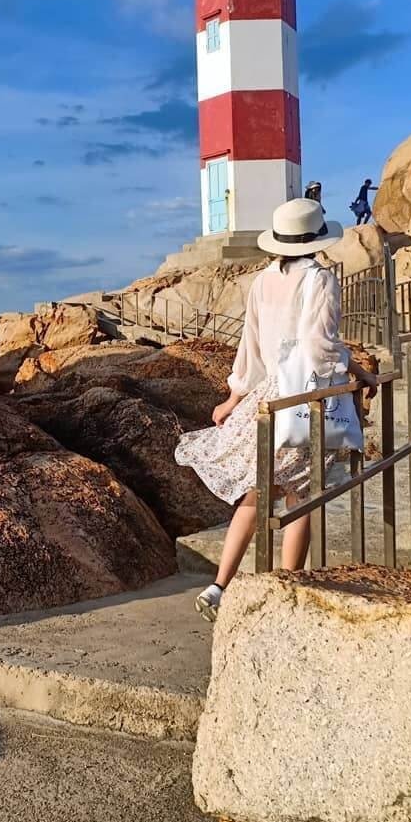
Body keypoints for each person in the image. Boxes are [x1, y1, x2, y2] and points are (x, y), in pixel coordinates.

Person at [174, 198, 377, 621]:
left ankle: (218, 586)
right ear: (317, 239)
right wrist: (357, 372)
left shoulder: (262, 280)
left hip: (266, 396)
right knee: (301, 494)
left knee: (256, 489)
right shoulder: (320, 279)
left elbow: (250, 346)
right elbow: (319, 347)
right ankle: (287, 589)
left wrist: (234, 397)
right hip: (302, 396)